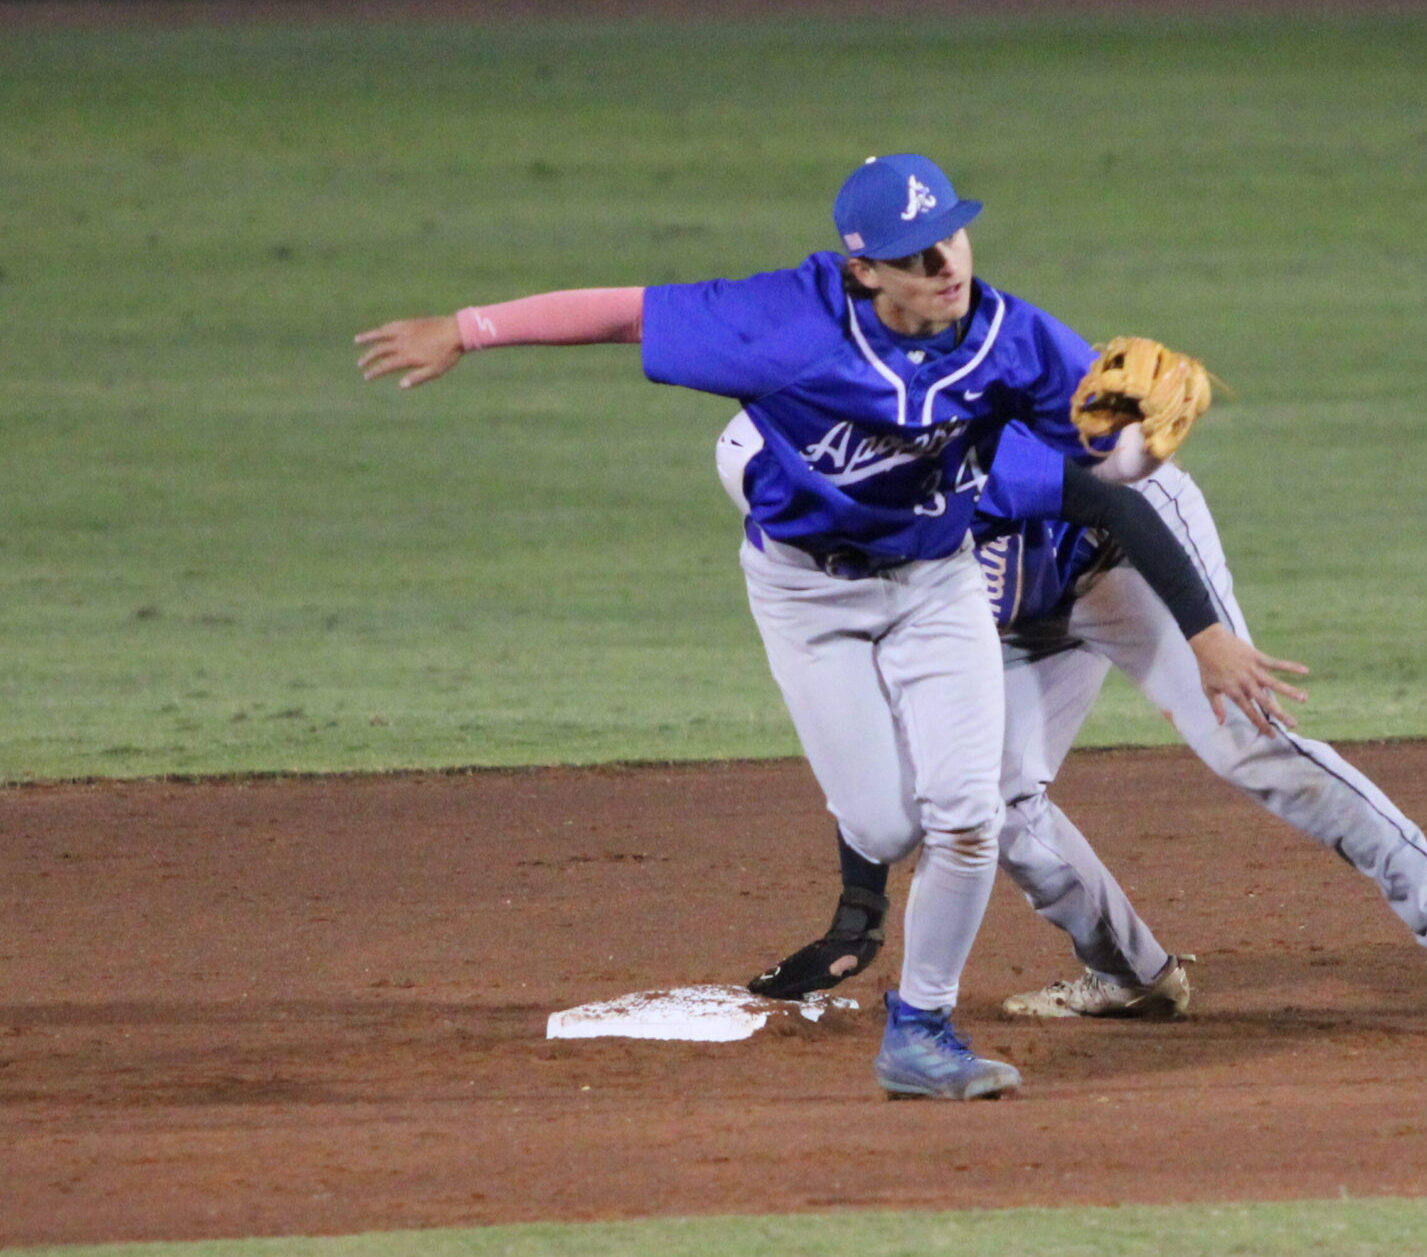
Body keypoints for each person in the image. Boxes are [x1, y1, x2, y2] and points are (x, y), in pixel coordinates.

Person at [355, 154, 1303, 1098]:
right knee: (889, 826)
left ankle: (920, 1032)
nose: (946, 266)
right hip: (811, 599)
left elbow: (1098, 455)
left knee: (968, 817)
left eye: (952, 238)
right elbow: (627, 312)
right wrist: (470, 331)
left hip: (939, 587)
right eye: (916, 255)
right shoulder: (783, 321)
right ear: (864, 270)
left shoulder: (1014, 337)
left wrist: (1138, 446)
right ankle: (891, 929)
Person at [743, 423, 1427, 1045]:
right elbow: (878, 727)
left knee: (1245, 739)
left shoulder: (960, 458)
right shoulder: (838, 543)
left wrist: (1206, 637)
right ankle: (1129, 972)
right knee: (987, 795)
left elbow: (1117, 504)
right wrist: (859, 911)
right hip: (1012, 604)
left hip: (1123, 553)